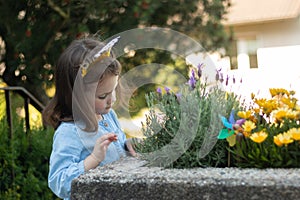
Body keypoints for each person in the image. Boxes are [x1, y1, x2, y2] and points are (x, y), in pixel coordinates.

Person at [42, 36, 136, 199]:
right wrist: (93, 159)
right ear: (76, 96)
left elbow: (116, 153)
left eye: (113, 90)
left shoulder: (108, 116)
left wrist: (127, 146)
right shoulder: (69, 132)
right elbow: (59, 181)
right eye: (103, 96)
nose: (111, 100)